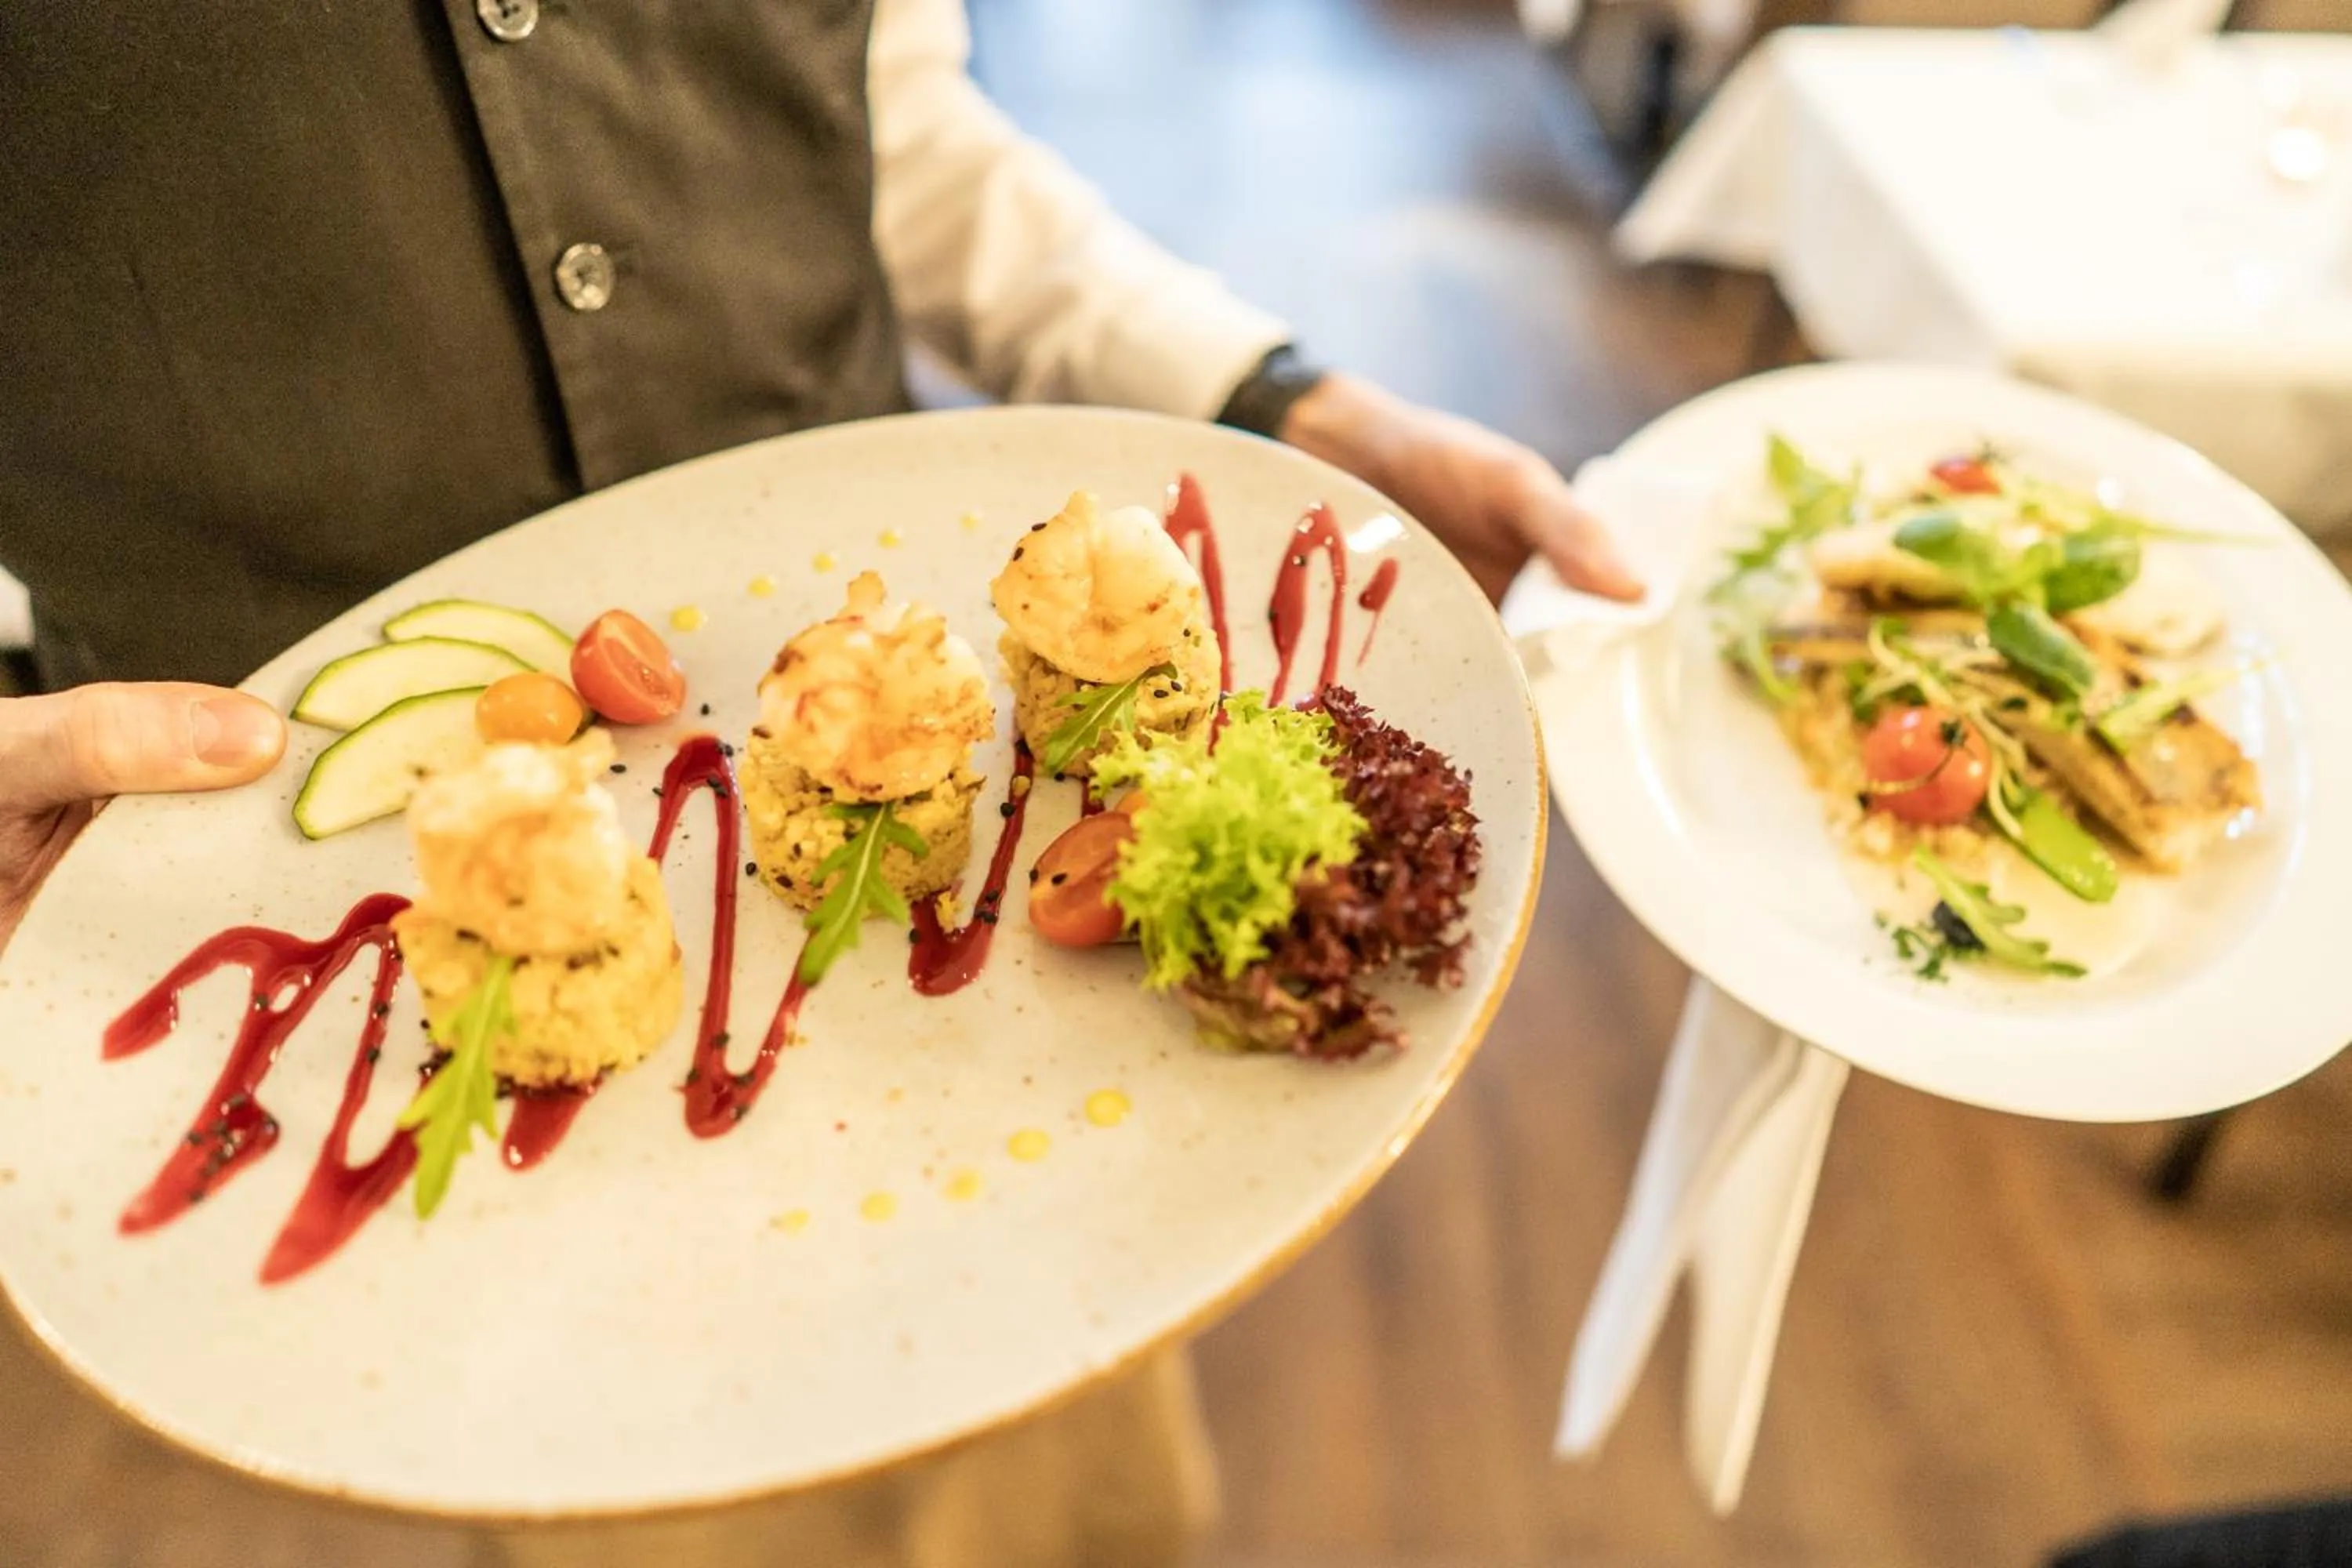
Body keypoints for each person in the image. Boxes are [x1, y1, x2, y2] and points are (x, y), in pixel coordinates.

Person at [0, 1, 1639, 1559]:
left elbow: (893, 119)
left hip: (944, 886)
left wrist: (1275, 398)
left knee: (1070, 1484)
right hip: (288, 884)